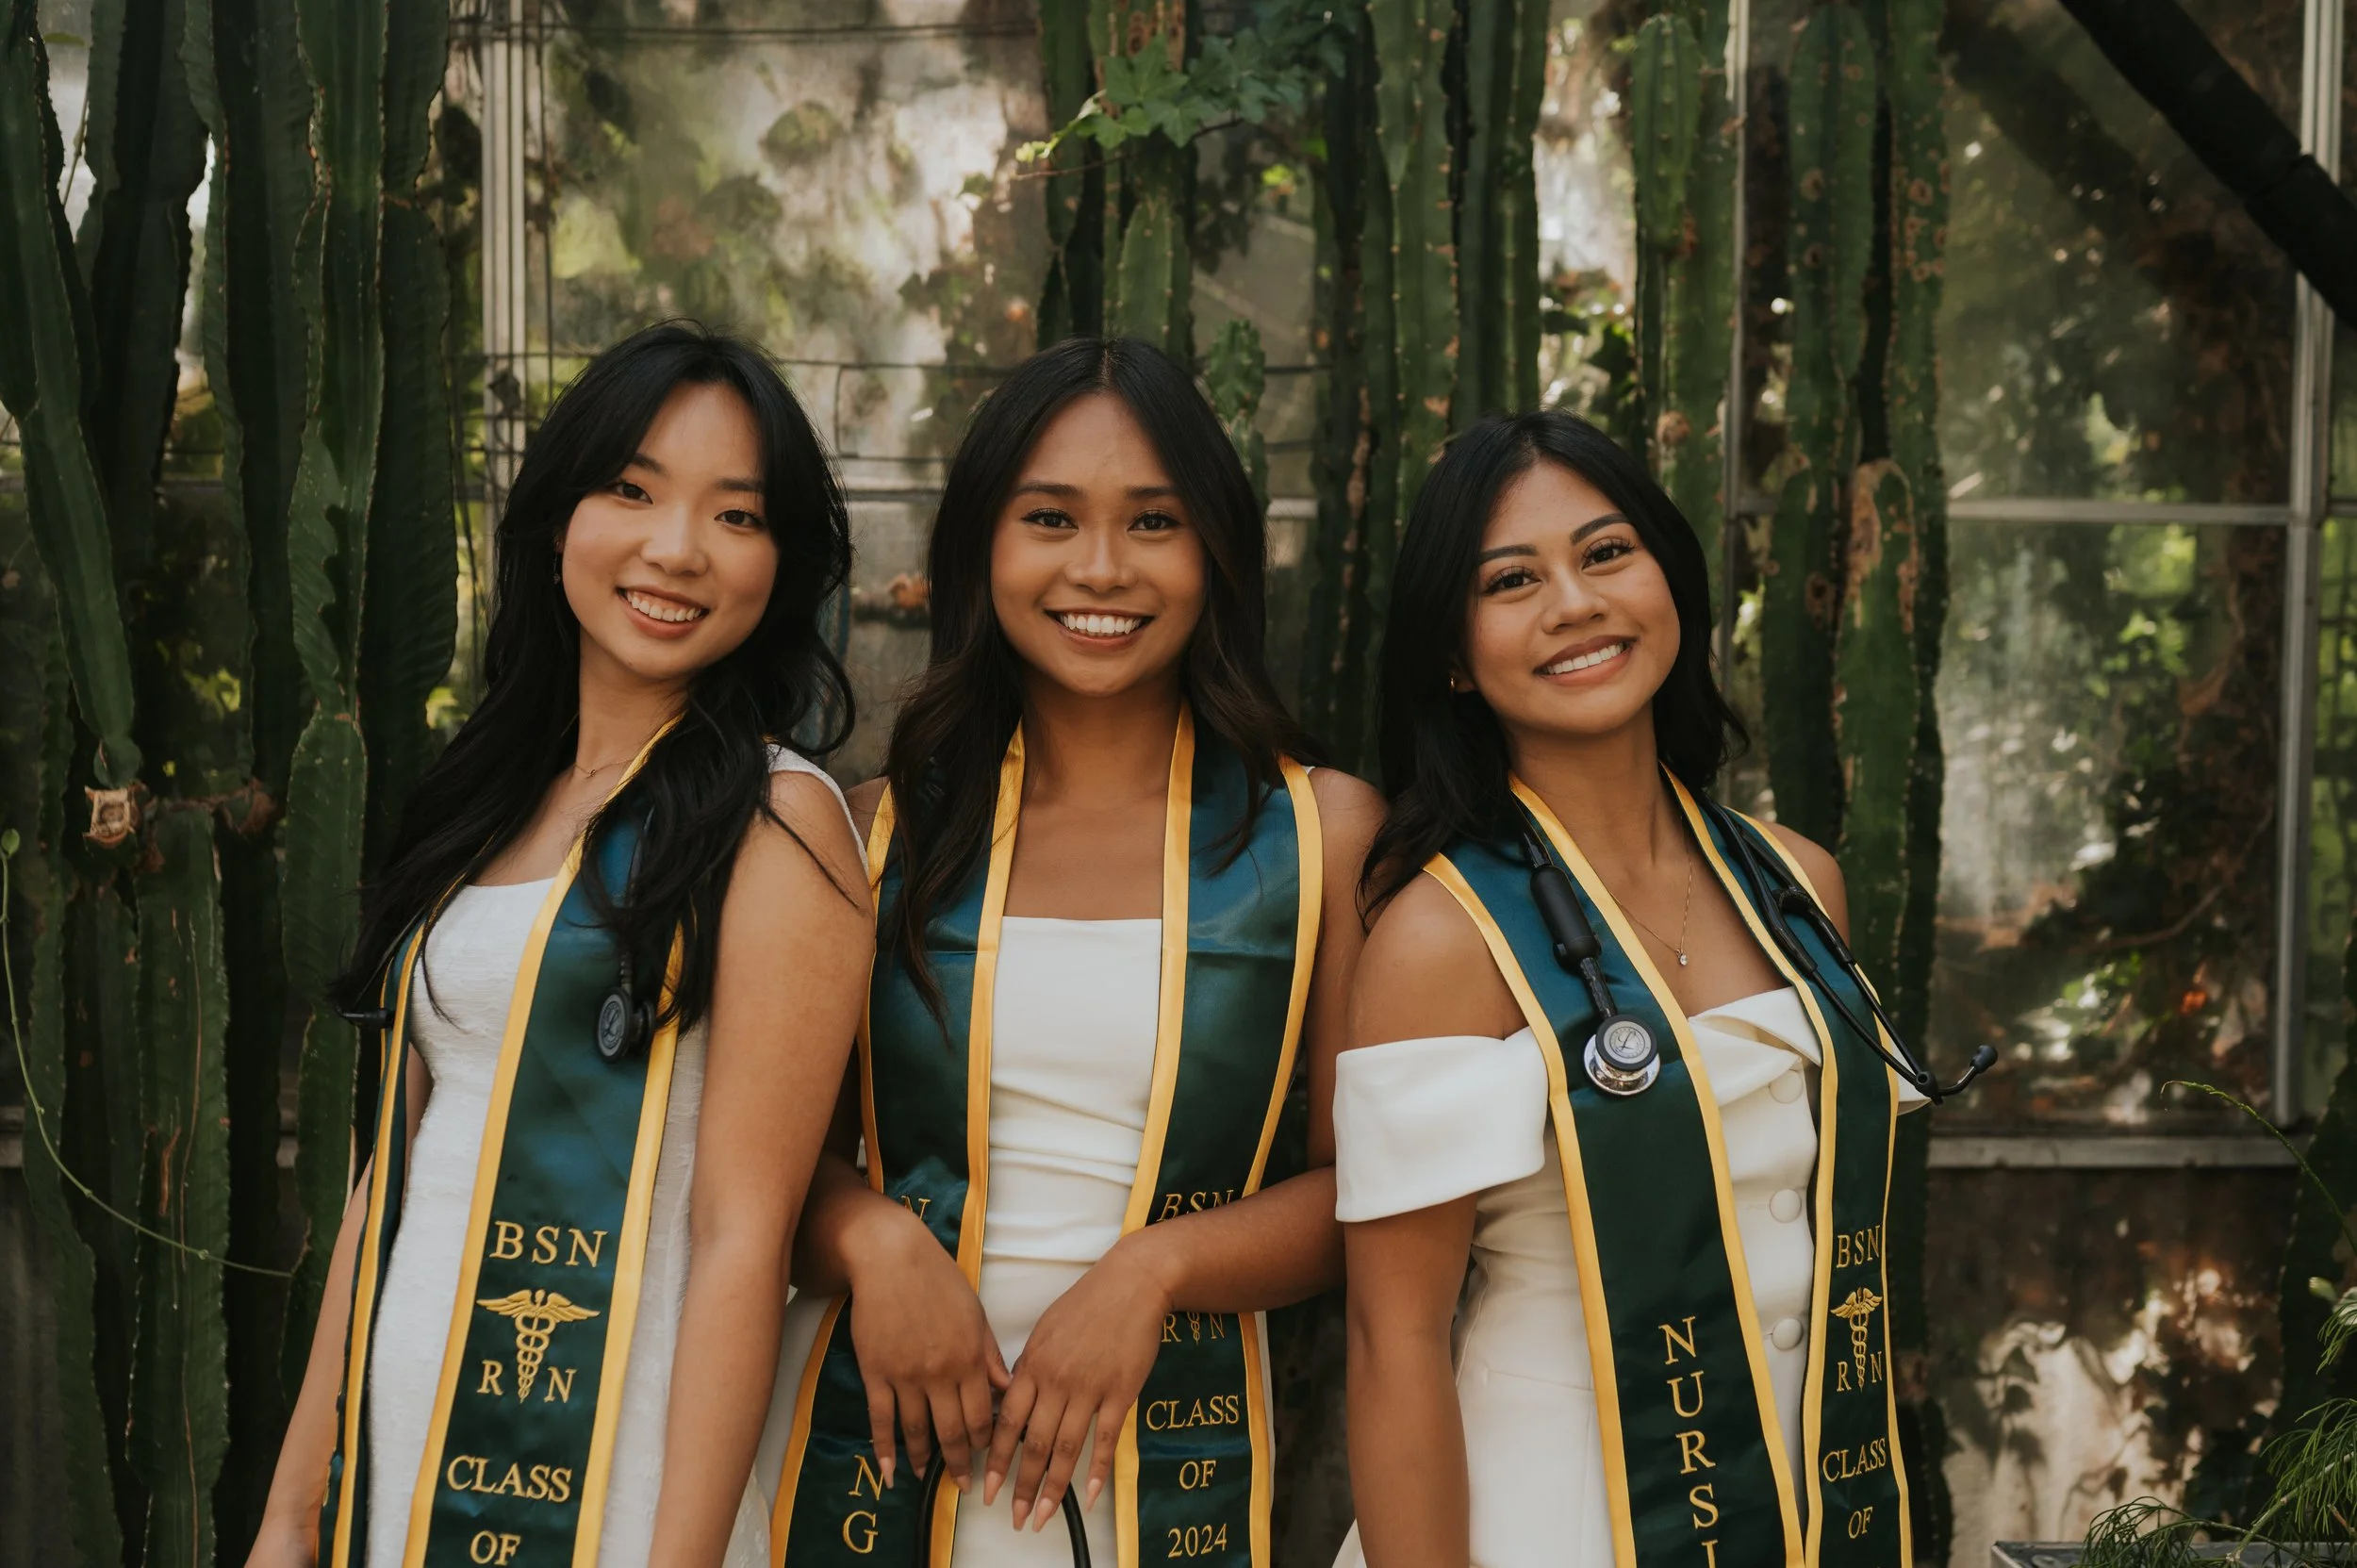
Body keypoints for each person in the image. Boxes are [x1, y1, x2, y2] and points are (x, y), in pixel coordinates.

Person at [247, 323, 872, 1568]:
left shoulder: (776, 819)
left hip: (617, 1481)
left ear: (781, 561)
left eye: (736, 515)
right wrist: (290, 1513)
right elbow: (391, 1186)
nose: (675, 548)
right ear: (558, 514)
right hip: (403, 1446)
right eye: (632, 490)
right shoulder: (482, 799)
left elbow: (744, 1234)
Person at [759, 336, 1381, 1567]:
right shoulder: (873, 830)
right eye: (1050, 517)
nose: (1101, 566)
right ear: (982, 546)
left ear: (1216, 551)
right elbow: (760, 1172)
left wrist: (1154, 1269)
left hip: (1166, 1471)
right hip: (864, 1453)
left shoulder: (1320, 834)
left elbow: (1372, 1197)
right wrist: (880, 1241)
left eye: (1154, 519)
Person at [1334, 410, 1927, 1568]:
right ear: (1452, 654)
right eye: (1512, 580)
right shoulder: (1441, 939)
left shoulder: (1797, 884)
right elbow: (1390, 1333)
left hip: (1809, 1517)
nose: (1574, 602)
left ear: (1670, 578)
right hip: (1543, 1519)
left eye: (1606, 553)